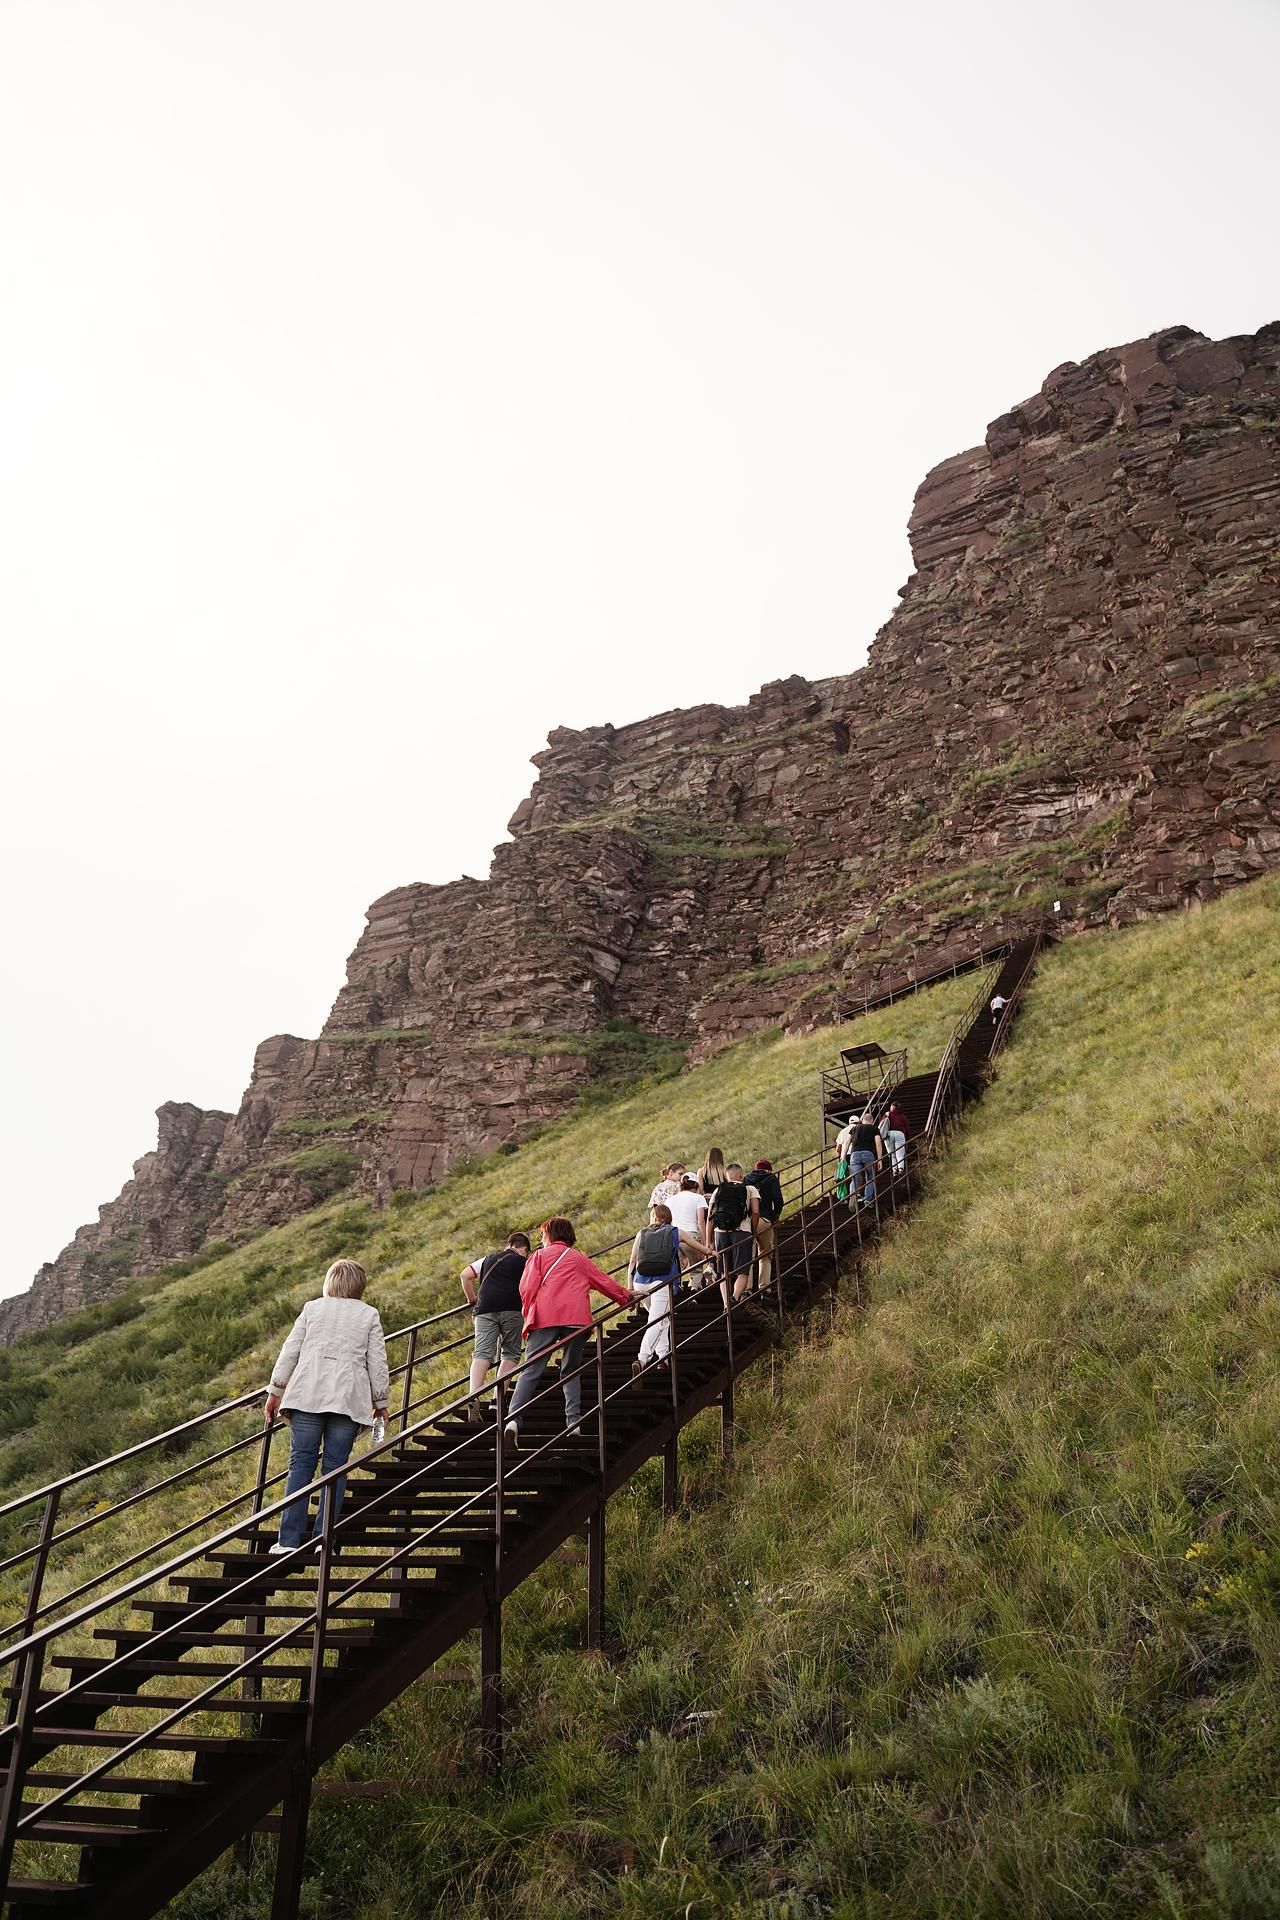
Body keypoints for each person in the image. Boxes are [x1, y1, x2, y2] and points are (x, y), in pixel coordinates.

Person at [264, 1259, 390, 1554]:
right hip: (348, 1399)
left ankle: (288, 1541)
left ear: (330, 1281)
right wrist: (380, 1401)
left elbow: (290, 1351)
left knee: (301, 1465)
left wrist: (275, 1390)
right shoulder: (369, 1315)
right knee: (335, 1469)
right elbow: (377, 1362)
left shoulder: (313, 1309)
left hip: (308, 1395)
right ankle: (324, 1540)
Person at [504, 1217, 633, 1450]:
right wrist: (625, 1297)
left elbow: (526, 1287)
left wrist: (528, 1310)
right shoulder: (579, 1258)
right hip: (576, 1318)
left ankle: (513, 1420)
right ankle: (573, 1422)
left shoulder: (539, 1257)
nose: (541, 1239)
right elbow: (602, 1281)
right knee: (571, 1370)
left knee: (531, 1370)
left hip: (545, 1317)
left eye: (543, 1235)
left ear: (552, 1235)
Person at [459, 1232, 531, 1424]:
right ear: (523, 1249)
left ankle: (474, 1395)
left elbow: (465, 1276)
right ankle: (496, 1399)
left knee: (482, 1353)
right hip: (512, 1309)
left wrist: (471, 1299)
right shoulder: (524, 1262)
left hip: (485, 1309)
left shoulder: (487, 1259)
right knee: (510, 1353)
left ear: (509, 1245)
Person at [628, 1203, 680, 1372]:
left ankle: (663, 1358)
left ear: (655, 1218)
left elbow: (632, 1262)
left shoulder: (641, 1233)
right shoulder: (674, 1231)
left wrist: (630, 1289)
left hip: (640, 1282)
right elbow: (696, 1247)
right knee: (657, 1321)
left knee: (662, 1319)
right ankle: (642, 1359)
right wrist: (710, 1253)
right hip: (662, 1282)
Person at [708, 1164, 759, 1304]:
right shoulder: (750, 1189)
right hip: (742, 1232)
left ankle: (726, 1306)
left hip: (720, 1233)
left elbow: (710, 1216)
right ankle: (735, 1297)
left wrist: (709, 1241)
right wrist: (753, 1231)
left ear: (726, 1176)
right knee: (742, 1272)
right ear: (741, 1175)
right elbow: (755, 1211)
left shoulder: (719, 1189)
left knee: (724, 1273)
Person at [668, 1174, 712, 1285]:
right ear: (696, 1185)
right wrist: (705, 1243)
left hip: (674, 1235)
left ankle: (676, 1288)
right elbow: (701, 1222)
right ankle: (694, 1291)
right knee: (696, 1267)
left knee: (678, 1267)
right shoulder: (698, 1198)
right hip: (691, 1234)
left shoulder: (670, 1200)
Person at [751, 1158, 784, 1292]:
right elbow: (778, 1200)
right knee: (765, 1255)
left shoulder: (747, 1178)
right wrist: (776, 1216)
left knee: (748, 1257)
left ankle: (745, 1291)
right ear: (769, 1169)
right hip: (765, 1220)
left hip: (749, 1222)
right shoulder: (771, 1178)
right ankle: (764, 1288)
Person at [849, 1110, 884, 1211]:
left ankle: (853, 1196)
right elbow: (878, 1143)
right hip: (868, 1154)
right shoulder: (874, 1129)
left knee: (855, 1178)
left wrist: (843, 1157)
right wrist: (880, 1159)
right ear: (872, 1121)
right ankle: (868, 1199)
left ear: (862, 1120)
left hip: (855, 1155)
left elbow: (847, 1142)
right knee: (870, 1177)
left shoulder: (854, 1129)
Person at [884, 1101, 910, 1176]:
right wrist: (907, 1137)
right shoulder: (902, 1116)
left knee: (892, 1154)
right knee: (900, 1153)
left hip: (889, 1134)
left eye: (891, 1107)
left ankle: (894, 1170)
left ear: (893, 1107)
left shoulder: (887, 1115)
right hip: (900, 1134)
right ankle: (901, 1169)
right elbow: (907, 1128)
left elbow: (883, 1124)